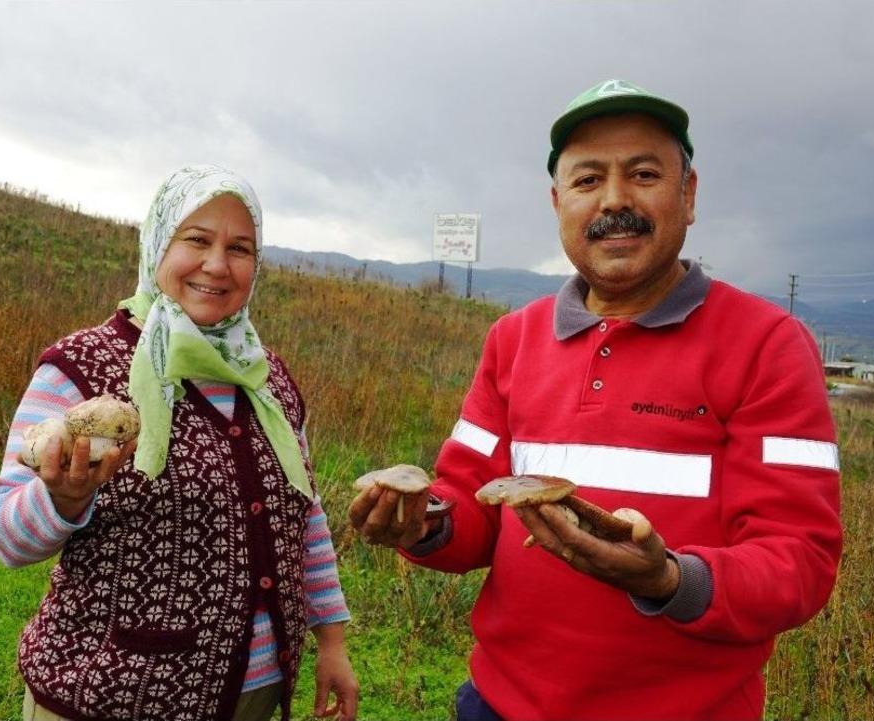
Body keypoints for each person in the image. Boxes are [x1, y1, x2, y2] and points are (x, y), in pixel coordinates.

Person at [348, 79, 842, 721]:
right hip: (499, 704)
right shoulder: (512, 340)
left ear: (689, 195)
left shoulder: (768, 344)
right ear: (558, 203)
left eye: (643, 174)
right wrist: (425, 522)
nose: (614, 200)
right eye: (587, 180)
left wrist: (667, 579)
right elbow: (471, 501)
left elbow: (798, 558)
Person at [0, 165, 358, 721]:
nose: (217, 265)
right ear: (158, 243)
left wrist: (332, 641)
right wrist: (61, 499)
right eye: (196, 240)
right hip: (110, 696)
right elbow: (2, 536)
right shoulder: (82, 368)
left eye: (239, 248)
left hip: (253, 695)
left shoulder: (267, 379)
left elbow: (305, 515)